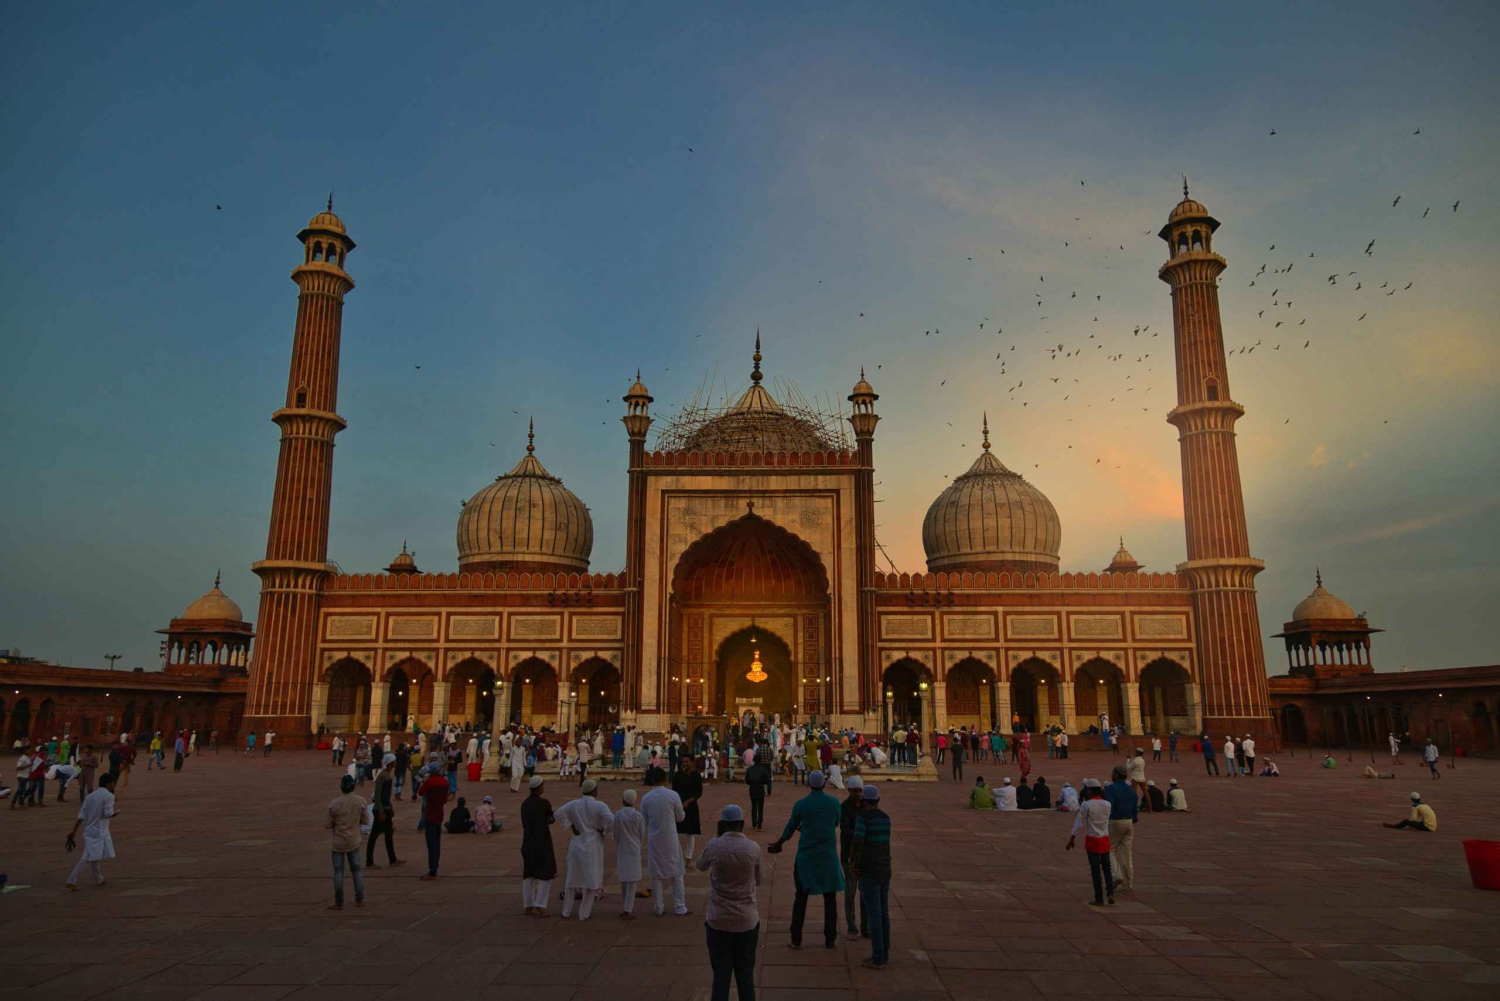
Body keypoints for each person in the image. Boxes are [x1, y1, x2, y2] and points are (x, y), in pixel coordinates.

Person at [771, 770, 843, 950]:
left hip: (806, 856)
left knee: (801, 897)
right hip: (827, 855)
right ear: (824, 784)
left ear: (810, 785)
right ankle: (830, 939)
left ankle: (796, 939)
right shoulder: (834, 803)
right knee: (830, 897)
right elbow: (835, 823)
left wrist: (780, 842)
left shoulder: (801, 804)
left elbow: (791, 826)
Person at [697, 804, 763, 1000]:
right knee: (745, 978)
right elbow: (759, 880)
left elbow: (701, 866)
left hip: (719, 919)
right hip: (746, 920)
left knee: (720, 978)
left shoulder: (714, 845)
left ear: (722, 824)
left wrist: (717, 837)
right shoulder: (753, 848)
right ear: (742, 824)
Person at [555, 779, 613, 920]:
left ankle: (566, 911)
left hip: (577, 842)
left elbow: (558, 814)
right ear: (594, 790)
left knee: (572, 877)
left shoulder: (574, 804)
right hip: (592, 844)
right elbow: (610, 819)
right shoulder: (600, 805)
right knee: (591, 879)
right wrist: (603, 831)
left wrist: (572, 826)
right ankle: (583, 914)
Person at [850, 783, 892, 970]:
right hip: (885, 868)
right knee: (883, 912)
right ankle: (884, 953)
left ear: (864, 801)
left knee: (874, 913)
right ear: (878, 800)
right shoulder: (886, 818)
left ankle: (877, 957)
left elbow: (858, 840)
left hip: (870, 869)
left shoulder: (863, 818)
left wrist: (854, 862)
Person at [641, 766, 691, 916]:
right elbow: (680, 817)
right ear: (665, 779)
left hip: (654, 838)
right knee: (677, 873)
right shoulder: (673, 795)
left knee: (656, 875)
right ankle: (680, 906)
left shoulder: (646, 798)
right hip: (670, 838)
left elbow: (644, 820)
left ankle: (658, 907)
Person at [64, 772, 119, 891]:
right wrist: (114, 814)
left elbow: (81, 814)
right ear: (109, 784)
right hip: (99, 830)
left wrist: (74, 830)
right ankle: (71, 880)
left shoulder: (90, 796)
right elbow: (107, 813)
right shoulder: (109, 796)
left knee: (95, 854)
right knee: (88, 856)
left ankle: (98, 878)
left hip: (89, 829)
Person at [1066, 778, 1115, 907]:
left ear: (1091, 790)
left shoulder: (1086, 805)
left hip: (1092, 840)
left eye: (1087, 790)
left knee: (1095, 870)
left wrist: (1072, 838)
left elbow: (1079, 823)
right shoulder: (1107, 804)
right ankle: (1110, 893)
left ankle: (1099, 898)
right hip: (1104, 839)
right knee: (1107, 868)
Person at [324, 774, 366, 909]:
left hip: (338, 841)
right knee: (356, 869)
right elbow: (365, 821)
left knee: (338, 871)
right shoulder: (360, 801)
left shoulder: (334, 803)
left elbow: (328, 824)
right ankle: (359, 898)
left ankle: (339, 901)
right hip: (354, 839)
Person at [520, 776, 557, 915]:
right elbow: (551, 818)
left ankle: (528, 905)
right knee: (546, 875)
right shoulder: (544, 803)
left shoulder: (524, 804)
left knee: (528, 875)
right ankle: (540, 905)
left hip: (527, 841)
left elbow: (525, 823)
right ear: (540, 787)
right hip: (542, 841)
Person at [838, 776, 868, 941]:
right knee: (850, 893)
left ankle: (865, 926)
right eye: (855, 791)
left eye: (859, 791)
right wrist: (860, 834)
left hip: (863, 855)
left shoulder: (865, 806)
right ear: (849, 791)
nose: (858, 794)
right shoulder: (844, 807)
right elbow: (844, 828)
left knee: (864, 891)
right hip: (849, 855)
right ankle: (852, 926)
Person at [1103, 765, 1139, 892]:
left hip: (1115, 820)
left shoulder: (1111, 789)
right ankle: (1128, 883)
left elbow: (1109, 806)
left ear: (1117, 775)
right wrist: (1133, 819)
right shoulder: (1131, 790)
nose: (1111, 775)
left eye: (1113, 772)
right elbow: (1135, 808)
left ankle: (1116, 876)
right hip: (1129, 821)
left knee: (1109, 849)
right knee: (1126, 853)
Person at [613, 788, 645, 919]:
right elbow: (642, 835)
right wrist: (638, 844)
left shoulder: (618, 815)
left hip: (622, 848)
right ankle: (628, 908)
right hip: (634, 848)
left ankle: (626, 906)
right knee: (632, 881)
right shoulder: (638, 816)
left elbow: (615, 834)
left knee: (624, 879)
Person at [416, 760, 449, 880]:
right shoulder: (445, 782)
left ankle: (432, 870)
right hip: (439, 813)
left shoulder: (430, 781)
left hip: (430, 813)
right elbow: (445, 800)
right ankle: (436, 864)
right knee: (437, 842)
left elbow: (420, 792)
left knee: (431, 844)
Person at [673, 754, 704, 862]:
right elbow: (674, 791)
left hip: (691, 806)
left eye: (687, 761)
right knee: (675, 831)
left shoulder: (696, 776)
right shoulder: (678, 775)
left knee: (690, 832)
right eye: (683, 762)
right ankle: (676, 856)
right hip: (678, 805)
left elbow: (699, 792)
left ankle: (688, 857)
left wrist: (689, 801)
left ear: (692, 762)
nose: (685, 764)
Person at [744, 752, 773, 831]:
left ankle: (754, 823)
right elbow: (767, 781)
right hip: (760, 789)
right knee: (760, 808)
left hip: (752, 790)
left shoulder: (749, 769)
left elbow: (747, 781)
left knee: (754, 807)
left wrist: (753, 782)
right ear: (760, 761)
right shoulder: (763, 770)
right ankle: (759, 823)